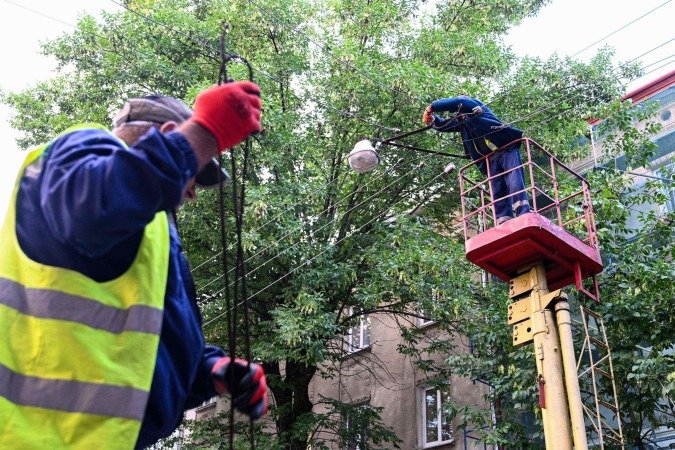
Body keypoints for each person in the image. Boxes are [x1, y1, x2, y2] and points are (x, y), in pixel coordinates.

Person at [0, 82, 268, 449]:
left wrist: (210, 371)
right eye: (198, 170)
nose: (191, 192)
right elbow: (90, 210)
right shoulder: (78, 149)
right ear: (171, 135)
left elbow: (143, 352)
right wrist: (206, 133)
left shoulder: (149, 229)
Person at [423, 95, 531, 224]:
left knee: (514, 180)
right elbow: (444, 125)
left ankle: (523, 213)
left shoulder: (477, 108)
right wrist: (433, 119)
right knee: (497, 189)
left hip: (506, 149)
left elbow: (460, 102)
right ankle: (504, 220)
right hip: (489, 159)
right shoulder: (464, 121)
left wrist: (431, 107)